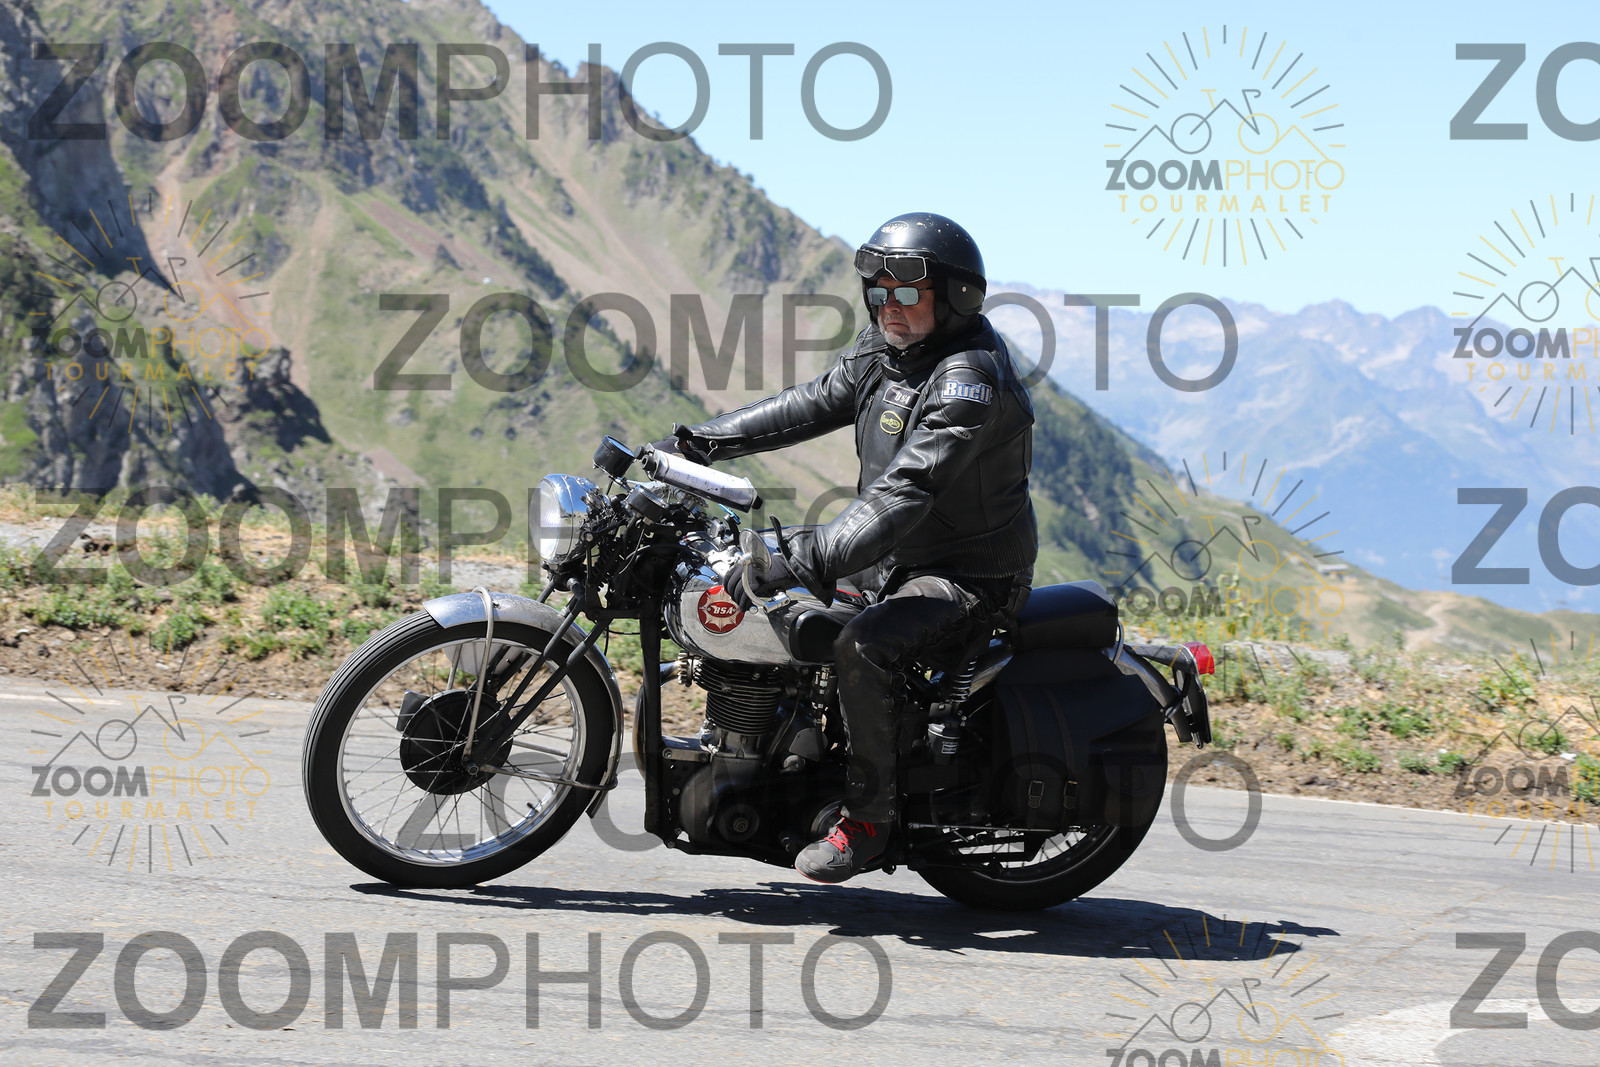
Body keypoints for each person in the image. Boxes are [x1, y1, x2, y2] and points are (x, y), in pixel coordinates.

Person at [652, 212, 1038, 883]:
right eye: (879, 292)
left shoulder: (968, 383)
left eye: (907, 292)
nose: (889, 305)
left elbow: (907, 493)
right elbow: (812, 402)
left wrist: (800, 557)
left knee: (862, 645)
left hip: (966, 576)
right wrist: (698, 445)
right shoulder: (888, 350)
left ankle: (866, 821)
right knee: (770, 605)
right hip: (893, 559)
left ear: (955, 297)